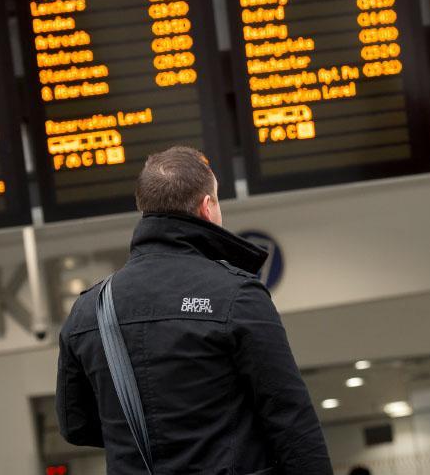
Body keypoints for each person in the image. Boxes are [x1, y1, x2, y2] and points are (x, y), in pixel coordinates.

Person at [56, 146, 332, 474]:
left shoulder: (89, 310)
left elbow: (76, 425)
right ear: (206, 207)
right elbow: (291, 420)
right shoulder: (236, 293)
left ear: (144, 207)